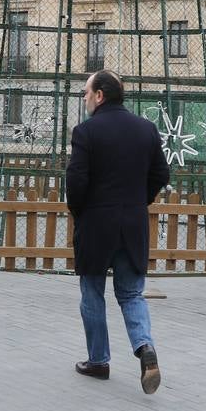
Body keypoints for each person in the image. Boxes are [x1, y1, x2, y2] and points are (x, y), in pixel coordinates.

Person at [67, 70, 170, 394]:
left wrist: (81, 211)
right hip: (133, 225)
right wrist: (140, 200)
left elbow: (76, 182)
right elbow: (161, 174)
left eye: (86, 93)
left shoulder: (86, 132)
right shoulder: (146, 129)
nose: (84, 99)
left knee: (92, 293)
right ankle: (145, 348)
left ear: (99, 96)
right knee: (130, 294)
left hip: (97, 226)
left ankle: (98, 360)